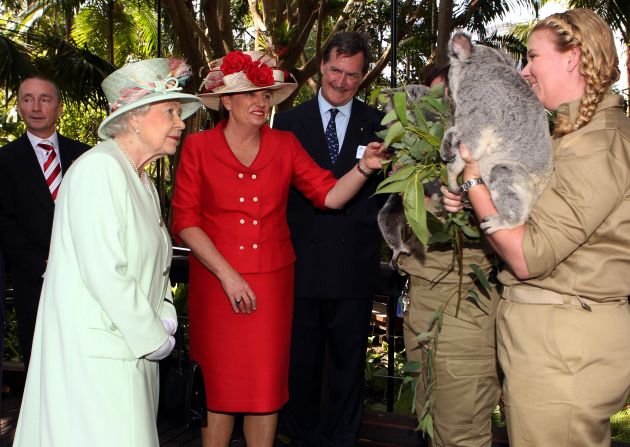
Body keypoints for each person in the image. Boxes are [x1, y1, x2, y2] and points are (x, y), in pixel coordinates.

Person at [171, 49, 386, 447]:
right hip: (217, 287)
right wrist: (228, 275)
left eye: (266, 94)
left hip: (271, 286)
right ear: (227, 101)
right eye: (252, 94)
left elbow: (331, 197)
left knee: (265, 390)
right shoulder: (198, 147)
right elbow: (185, 221)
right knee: (218, 389)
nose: (261, 102)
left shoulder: (284, 144)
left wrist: (364, 168)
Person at [442, 9, 630, 447]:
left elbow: (528, 255)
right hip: (553, 339)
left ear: (573, 58)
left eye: (532, 57)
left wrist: (471, 179)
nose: (524, 71)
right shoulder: (570, 134)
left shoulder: (598, 142)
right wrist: (475, 197)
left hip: (566, 348)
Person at [12, 58, 202, 446]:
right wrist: (154, 336)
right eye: (170, 111)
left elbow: (157, 267)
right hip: (97, 360)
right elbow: (106, 272)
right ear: (135, 118)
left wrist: (164, 319)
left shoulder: (139, 177)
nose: (180, 122)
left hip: (130, 352)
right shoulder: (99, 170)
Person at [272, 31, 385, 447]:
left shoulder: (379, 126)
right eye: (335, 70)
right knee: (299, 365)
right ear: (321, 66)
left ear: (363, 76)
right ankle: (299, 438)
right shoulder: (285, 124)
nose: (341, 81)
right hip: (299, 268)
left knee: (347, 366)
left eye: (352, 75)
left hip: (353, 269)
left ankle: (342, 440)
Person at [397, 65, 501, 447]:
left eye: (454, 99)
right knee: (429, 420)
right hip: (421, 297)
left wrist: (469, 190)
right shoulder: (416, 152)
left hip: (465, 303)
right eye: (435, 101)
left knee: (461, 431)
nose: (444, 109)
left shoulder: (495, 154)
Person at [0, 76, 89, 372]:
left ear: (59, 108)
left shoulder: (87, 156)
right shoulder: (5, 161)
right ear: (20, 106)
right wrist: (44, 265)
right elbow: (4, 224)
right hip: (34, 282)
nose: (36, 107)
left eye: (45, 99)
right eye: (27, 99)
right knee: (42, 368)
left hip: (86, 280)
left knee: (83, 366)